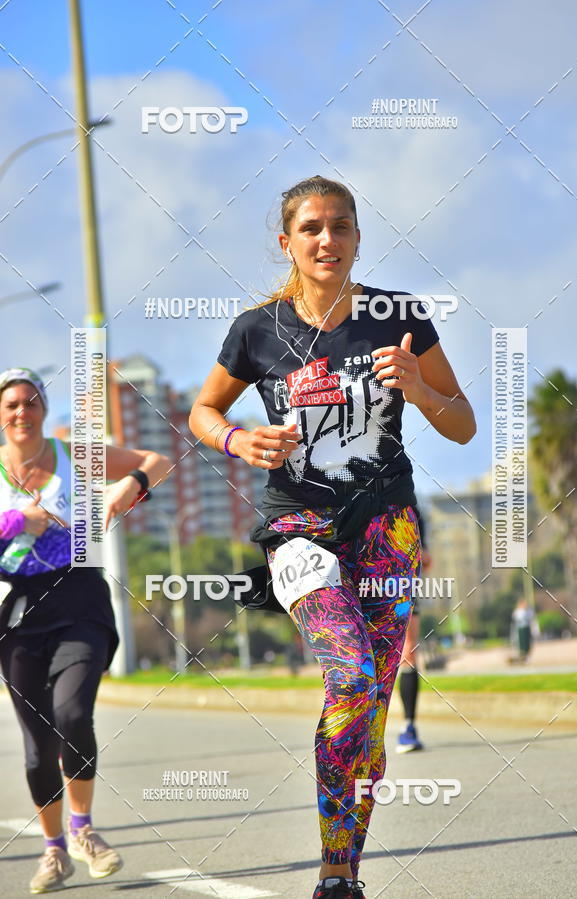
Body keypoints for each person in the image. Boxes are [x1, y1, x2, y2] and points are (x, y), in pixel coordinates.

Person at [189, 175, 476, 899]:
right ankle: (335, 875)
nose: (327, 239)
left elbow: (463, 422)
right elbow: (202, 409)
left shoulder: (397, 317)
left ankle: (341, 869)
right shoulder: (258, 330)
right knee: (348, 679)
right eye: (311, 228)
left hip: (388, 532)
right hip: (300, 530)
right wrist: (236, 438)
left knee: (370, 718)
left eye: (340, 226)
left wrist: (417, 383)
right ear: (287, 241)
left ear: (356, 236)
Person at [0, 368, 172, 894]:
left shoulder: (75, 451)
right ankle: (53, 852)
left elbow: (159, 461)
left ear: (44, 409)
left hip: (80, 599)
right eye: (10, 406)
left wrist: (129, 487)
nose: (21, 413)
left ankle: (84, 831)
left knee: (74, 712)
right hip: (16, 613)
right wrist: (13, 524)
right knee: (36, 745)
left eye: (30, 403)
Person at [396, 506, 431, 753]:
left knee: (408, 651)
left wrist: (422, 551)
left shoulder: (406, 499)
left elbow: (426, 557)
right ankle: (363, 729)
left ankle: (409, 727)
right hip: (359, 577)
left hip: (399, 578)